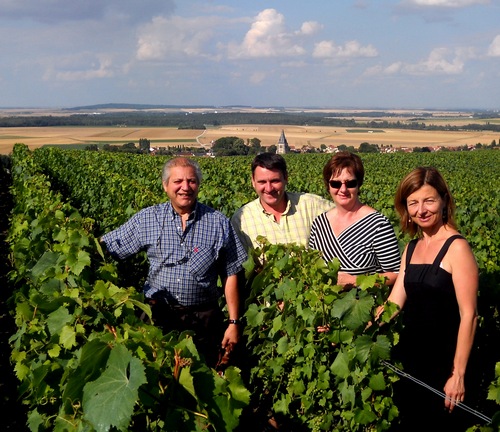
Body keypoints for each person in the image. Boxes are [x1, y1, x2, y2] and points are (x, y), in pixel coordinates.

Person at [101, 157, 247, 368]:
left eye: (192, 181)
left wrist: (233, 322)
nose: (185, 187)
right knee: (156, 377)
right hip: (157, 318)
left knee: (202, 380)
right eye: (178, 181)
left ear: (199, 184)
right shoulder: (147, 219)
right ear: (165, 185)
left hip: (203, 320)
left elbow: (231, 273)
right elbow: (110, 247)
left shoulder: (218, 222)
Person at [384, 166, 478, 431]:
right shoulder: (412, 248)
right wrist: (352, 329)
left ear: (444, 200)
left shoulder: (457, 248)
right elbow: (393, 304)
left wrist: (457, 374)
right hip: (412, 362)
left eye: (429, 200)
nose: (421, 210)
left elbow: (469, 315)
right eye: (413, 203)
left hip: (445, 366)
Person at [308, 151, 400, 287]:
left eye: (350, 183)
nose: (343, 189)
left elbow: (396, 273)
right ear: (328, 185)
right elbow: (312, 268)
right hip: (324, 306)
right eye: (336, 184)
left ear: (359, 184)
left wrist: (355, 281)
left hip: (366, 304)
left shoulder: (378, 225)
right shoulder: (319, 224)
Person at [231, 152, 332, 252]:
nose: (269, 188)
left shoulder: (312, 205)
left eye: (275, 181)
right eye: (262, 182)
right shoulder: (241, 220)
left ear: (286, 178)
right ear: (253, 181)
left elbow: (346, 216)